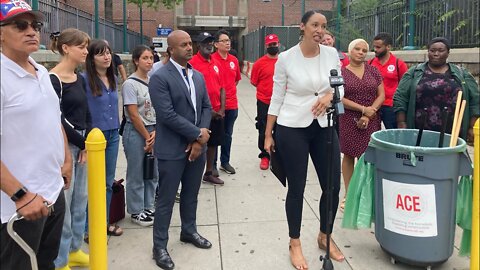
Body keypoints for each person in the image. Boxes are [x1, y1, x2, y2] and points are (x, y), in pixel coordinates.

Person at [264, 10, 345, 269]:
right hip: (292, 127)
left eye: (323, 26)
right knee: (296, 188)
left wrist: (329, 96)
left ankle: (324, 234)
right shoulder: (286, 58)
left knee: (332, 186)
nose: (319, 30)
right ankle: (295, 242)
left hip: (324, 126)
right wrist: (268, 133)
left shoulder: (332, 54)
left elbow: (339, 85)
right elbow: (277, 96)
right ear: (303, 27)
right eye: (314, 25)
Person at [0, 1, 71, 269]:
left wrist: (65, 161)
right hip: (19, 207)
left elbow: (54, 119)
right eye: (20, 25)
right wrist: (20, 195)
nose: (31, 31)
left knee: (46, 263)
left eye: (35, 25)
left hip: (53, 193)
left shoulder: (41, 71)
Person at [149, 30, 213, 270]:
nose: (189, 47)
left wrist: (200, 139)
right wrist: (196, 134)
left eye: (190, 43)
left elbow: (206, 106)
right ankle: (160, 246)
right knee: (166, 200)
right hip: (172, 149)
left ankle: (189, 231)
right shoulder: (160, 77)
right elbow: (166, 115)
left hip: (196, 148)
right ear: (171, 50)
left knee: (191, 194)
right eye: (183, 44)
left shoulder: (196, 76)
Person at [49, 28, 91, 270]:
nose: (86, 51)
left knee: (80, 199)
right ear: (66, 48)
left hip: (84, 146)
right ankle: (61, 257)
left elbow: (87, 112)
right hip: (66, 147)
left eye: (86, 46)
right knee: (64, 203)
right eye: (81, 47)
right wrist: (81, 143)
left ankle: (75, 248)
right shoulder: (53, 79)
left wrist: (90, 140)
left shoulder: (81, 78)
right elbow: (59, 119)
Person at [394, 37, 479, 145]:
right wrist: (402, 123)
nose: (436, 54)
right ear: (428, 52)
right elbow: (400, 97)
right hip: (420, 130)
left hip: (452, 131)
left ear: (448, 53)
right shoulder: (414, 72)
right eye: (432, 50)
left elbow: (475, 101)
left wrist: (471, 127)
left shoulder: (462, 74)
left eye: (440, 50)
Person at [82, 39, 123, 239]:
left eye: (108, 52)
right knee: (91, 183)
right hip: (93, 138)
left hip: (113, 134)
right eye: (100, 53)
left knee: (107, 182)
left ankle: (103, 223)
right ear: (91, 58)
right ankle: (89, 228)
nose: (106, 57)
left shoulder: (113, 77)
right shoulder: (83, 80)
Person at [339, 39, 385, 210]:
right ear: (349, 52)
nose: (361, 52)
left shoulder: (373, 71)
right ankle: (349, 194)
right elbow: (339, 97)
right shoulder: (341, 72)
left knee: (368, 157)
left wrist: (370, 111)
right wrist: (362, 109)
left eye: (364, 50)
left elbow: (381, 94)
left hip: (372, 117)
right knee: (349, 155)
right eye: (357, 49)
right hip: (349, 118)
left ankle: (367, 195)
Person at [122, 45, 158, 227]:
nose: (149, 61)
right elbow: (133, 114)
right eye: (145, 58)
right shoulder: (130, 84)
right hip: (136, 132)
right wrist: (147, 136)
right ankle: (136, 210)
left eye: (151, 57)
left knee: (152, 170)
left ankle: (149, 205)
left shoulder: (153, 81)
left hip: (153, 129)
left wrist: (155, 133)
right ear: (136, 60)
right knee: (136, 171)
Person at [190, 32, 226, 185]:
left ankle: (209, 172)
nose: (209, 45)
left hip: (217, 112)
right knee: (198, 142)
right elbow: (190, 90)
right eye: (205, 42)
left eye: (211, 42)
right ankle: (192, 174)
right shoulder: (192, 63)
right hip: (201, 113)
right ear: (198, 45)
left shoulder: (216, 62)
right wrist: (206, 111)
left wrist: (222, 109)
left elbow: (222, 87)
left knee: (213, 143)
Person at [212, 29, 242, 175]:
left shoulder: (234, 60)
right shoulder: (211, 60)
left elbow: (235, 80)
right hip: (216, 107)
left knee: (227, 135)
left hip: (232, 105)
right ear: (216, 44)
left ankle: (225, 162)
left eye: (228, 40)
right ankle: (212, 165)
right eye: (223, 41)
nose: (227, 43)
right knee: (214, 136)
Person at [250, 33, 280, 170]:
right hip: (264, 101)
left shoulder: (283, 61)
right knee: (263, 129)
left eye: (275, 44)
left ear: (278, 44)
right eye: (270, 45)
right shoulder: (259, 64)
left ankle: (278, 156)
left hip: (281, 102)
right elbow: (254, 82)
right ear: (266, 46)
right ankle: (264, 156)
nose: (273, 46)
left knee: (280, 129)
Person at [369, 32, 408, 129]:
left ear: (388, 47)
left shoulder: (399, 64)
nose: (375, 50)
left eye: (378, 47)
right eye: (374, 47)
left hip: (391, 107)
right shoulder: (370, 63)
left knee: (392, 135)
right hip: (374, 106)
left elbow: (405, 87)